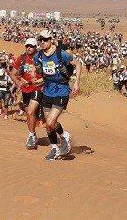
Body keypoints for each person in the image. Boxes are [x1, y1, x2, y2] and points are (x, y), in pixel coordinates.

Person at [32, 30, 81, 160]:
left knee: (50, 122)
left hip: (62, 90)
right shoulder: (39, 56)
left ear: (50, 40)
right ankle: (55, 148)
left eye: (45, 39)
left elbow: (78, 64)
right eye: (40, 39)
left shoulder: (61, 54)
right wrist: (33, 76)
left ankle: (65, 135)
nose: (42, 42)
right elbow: (35, 66)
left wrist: (76, 82)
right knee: (49, 125)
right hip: (47, 90)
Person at [11, 38, 45, 150]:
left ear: (36, 47)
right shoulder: (21, 59)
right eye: (27, 46)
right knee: (29, 114)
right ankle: (33, 134)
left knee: (30, 111)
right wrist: (18, 82)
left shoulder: (41, 58)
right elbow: (12, 74)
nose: (28, 48)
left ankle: (30, 136)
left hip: (37, 87)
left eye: (31, 46)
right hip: (25, 89)